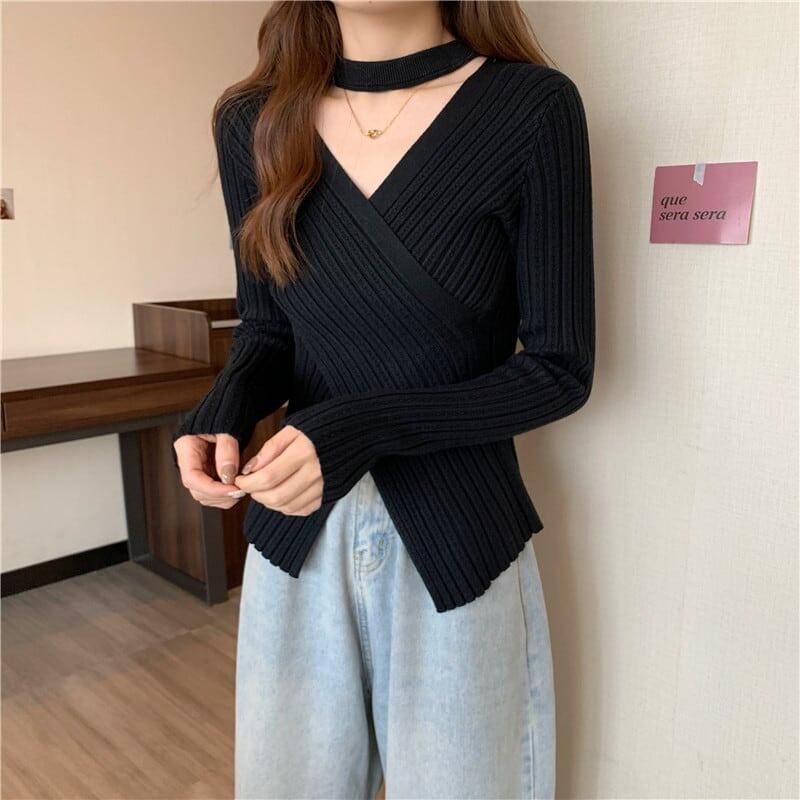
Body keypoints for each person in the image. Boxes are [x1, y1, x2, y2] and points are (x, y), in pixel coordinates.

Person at [173, 1, 595, 797]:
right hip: (295, 540)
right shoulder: (252, 121)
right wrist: (221, 413)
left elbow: (559, 369)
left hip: (461, 543)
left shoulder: (532, 108)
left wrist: (358, 429)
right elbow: (267, 329)